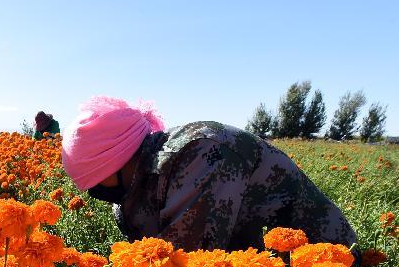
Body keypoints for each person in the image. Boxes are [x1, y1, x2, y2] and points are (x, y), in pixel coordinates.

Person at [61, 96, 357, 252]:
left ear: (123, 160)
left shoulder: (202, 152)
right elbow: (149, 263)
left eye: (97, 180)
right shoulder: (137, 182)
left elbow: (184, 262)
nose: (95, 191)